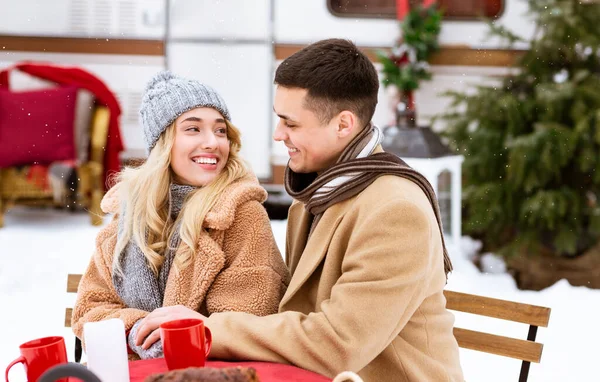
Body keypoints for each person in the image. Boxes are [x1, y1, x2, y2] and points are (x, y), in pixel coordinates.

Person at [140, 39, 464, 381]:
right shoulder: (319, 192)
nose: (278, 134)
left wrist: (210, 330)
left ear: (343, 125)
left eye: (290, 123)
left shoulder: (396, 211)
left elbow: (337, 344)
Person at [72, 71, 290, 359]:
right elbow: (91, 308)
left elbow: (249, 319)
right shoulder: (129, 215)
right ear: (163, 144)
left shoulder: (240, 214)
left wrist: (180, 334)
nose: (213, 142)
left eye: (220, 130)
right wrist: (140, 330)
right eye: (193, 129)